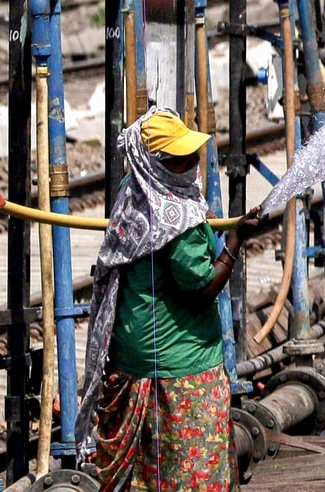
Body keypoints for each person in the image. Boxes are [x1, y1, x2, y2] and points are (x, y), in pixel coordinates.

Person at [78, 107, 260, 491]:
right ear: (159, 165)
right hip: (181, 369)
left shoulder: (136, 188)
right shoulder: (179, 224)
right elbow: (202, 289)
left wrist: (203, 216)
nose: (194, 164)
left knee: (147, 476)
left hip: (133, 360)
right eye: (183, 159)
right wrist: (234, 241)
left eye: (193, 155)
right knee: (187, 474)